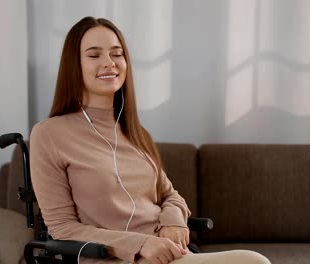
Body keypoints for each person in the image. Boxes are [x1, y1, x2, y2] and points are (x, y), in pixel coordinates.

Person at [29, 16, 271, 264]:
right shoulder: (49, 134)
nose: (109, 63)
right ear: (74, 64)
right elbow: (63, 228)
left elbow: (170, 195)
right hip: (114, 258)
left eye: (117, 54)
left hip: (169, 253)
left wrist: (173, 222)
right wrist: (142, 244)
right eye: (94, 55)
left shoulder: (136, 133)